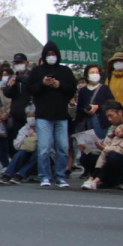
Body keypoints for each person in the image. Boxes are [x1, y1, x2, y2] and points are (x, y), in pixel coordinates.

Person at [27, 42, 77, 188]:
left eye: (53, 54)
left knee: (63, 148)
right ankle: (44, 176)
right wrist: (42, 83)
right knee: (44, 148)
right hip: (43, 116)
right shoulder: (37, 71)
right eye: (48, 54)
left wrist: (59, 85)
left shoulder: (65, 71)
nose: (51, 57)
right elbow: (30, 89)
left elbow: (72, 90)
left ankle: (60, 176)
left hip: (61, 115)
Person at [82, 104, 123, 190]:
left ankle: (100, 180)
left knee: (111, 156)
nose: (109, 119)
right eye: (107, 117)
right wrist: (91, 147)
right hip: (107, 150)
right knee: (89, 155)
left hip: (121, 154)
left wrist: (106, 148)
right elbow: (106, 143)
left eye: (111, 116)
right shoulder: (112, 128)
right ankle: (94, 179)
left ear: (120, 112)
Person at [0, 106, 39, 184]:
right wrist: (27, 137)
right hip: (27, 151)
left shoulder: (43, 128)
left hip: (41, 154)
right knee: (21, 153)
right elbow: (16, 145)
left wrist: (36, 137)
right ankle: (7, 175)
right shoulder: (24, 129)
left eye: (33, 116)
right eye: (29, 116)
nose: (31, 118)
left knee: (38, 154)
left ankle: (20, 175)